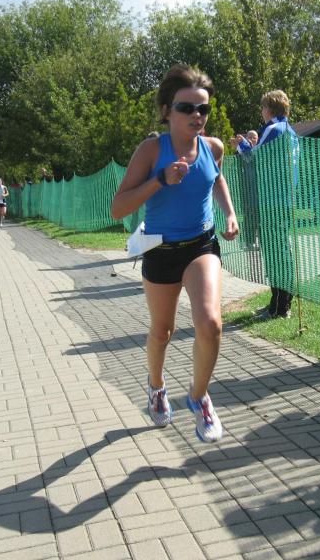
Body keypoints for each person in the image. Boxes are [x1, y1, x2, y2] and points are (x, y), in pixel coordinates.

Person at [110, 64, 239, 442]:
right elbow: (118, 208)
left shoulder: (213, 147)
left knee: (210, 323)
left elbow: (216, 178)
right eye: (187, 108)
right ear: (167, 110)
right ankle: (156, 385)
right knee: (162, 332)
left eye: (203, 108)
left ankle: (198, 397)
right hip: (161, 249)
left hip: (201, 245)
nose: (197, 115)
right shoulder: (152, 150)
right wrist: (160, 180)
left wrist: (229, 212)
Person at [253, 90, 299, 318]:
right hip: (285, 199)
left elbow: (254, 156)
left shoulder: (273, 129)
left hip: (273, 200)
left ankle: (280, 307)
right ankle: (278, 302)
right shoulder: (290, 130)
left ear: (270, 109)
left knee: (275, 253)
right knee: (280, 250)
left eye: (263, 107)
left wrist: (242, 147)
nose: (262, 112)